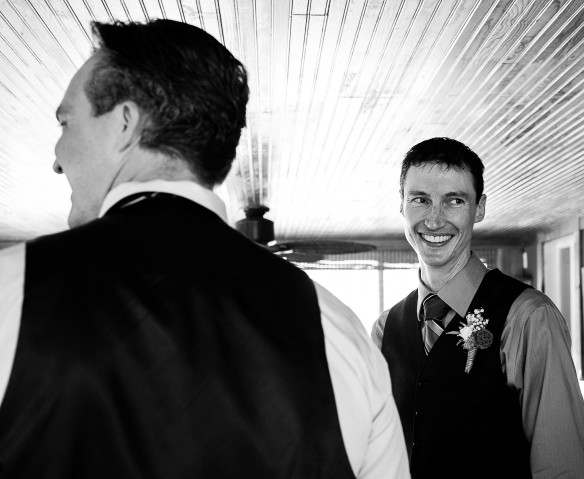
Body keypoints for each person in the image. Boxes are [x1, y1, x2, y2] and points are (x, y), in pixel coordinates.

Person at [0, 19, 409, 478]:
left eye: (65, 121)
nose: (57, 158)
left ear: (125, 123)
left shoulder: (11, 290)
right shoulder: (339, 330)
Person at [372, 137, 584, 478]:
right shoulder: (384, 329)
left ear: (479, 208)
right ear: (402, 206)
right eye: (420, 200)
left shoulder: (529, 318)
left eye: (454, 201)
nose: (434, 220)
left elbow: (562, 471)